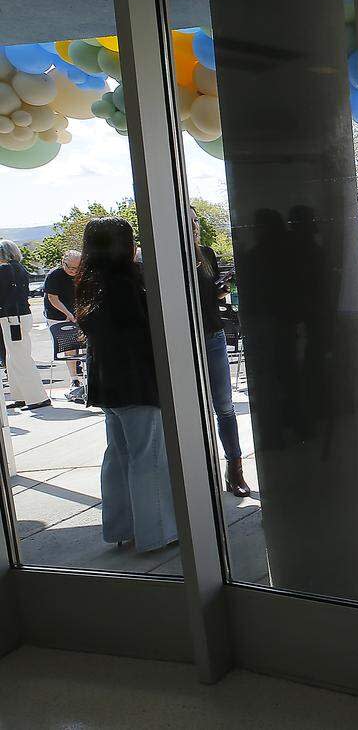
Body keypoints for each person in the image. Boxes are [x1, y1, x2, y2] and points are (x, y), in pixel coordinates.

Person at [76, 217, 178, 552]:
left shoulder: (92, 284)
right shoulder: (128, 284)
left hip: (108, 386)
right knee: (146, 459)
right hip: (137, 385)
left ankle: (122, 528)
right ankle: (156, 533)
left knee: (118, 457)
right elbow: (144, 336)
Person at [190, 208, 249, 497]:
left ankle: (234, 469)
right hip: (182, 341)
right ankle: (195, 474)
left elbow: (209, 295)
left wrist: (220, 289)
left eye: (196, 221)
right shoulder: (162, 256)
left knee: (224, 405)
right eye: (189, 222)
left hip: (212, 335)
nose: (195, 226)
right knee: (189, 409)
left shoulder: (206, 254)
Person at [0, 240, 50, 411]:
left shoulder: (5, 269)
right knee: (13, 357)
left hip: (13, 318)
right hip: (18, 315)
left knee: (20, 358)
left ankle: (37, 397)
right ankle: (21, 395)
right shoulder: (19, 268)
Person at [44, 249, 85, 402]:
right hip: (57, 315)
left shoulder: (81, 273)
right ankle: (74, 378)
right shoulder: (54, 275)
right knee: (70, 347)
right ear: (63, 262)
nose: (74, 271)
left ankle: (84, 377)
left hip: (75, 313)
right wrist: (67, 313)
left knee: (82, 345)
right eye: (70, 268)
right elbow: (53, 298)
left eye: (77, 268)